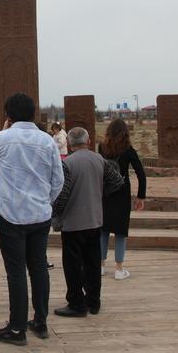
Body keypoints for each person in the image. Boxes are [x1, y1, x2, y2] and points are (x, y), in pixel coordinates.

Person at [0, 93, 64, 346]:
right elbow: (58, 180)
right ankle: (40, 321)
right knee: (38, 268)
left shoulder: (2, 138)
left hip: (11, 217)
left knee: (16, 272)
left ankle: (17, 328)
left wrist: (2, 131)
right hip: (40, 216)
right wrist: (44, 202)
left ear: (8, 115)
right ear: (33, 113)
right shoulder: (47, 141)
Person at [53, 127, 123, 318]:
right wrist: (99, 194)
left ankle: (76, 303)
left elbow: (63, 194)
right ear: (89, 141)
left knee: (73, 265)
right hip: (95, 219)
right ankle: (94, 301)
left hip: (73, 222)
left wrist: (55, 213)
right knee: (92, 263)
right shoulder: (99, 160)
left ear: (68, 142)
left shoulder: (67, 164)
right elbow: (117, 181)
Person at [98, 119, 147, 280]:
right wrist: (140, 196)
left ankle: (101, 266)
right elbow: (141, 174)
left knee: (103, 231)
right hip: (122, 192)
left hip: (105, 193)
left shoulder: (102, 148)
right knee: (120, 231)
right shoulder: (129, 150)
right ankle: (119, 269)